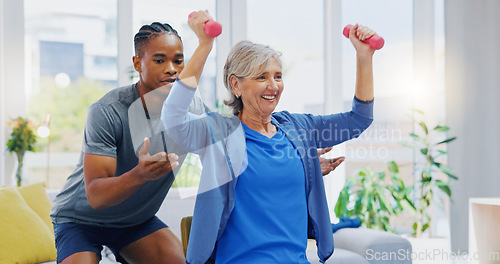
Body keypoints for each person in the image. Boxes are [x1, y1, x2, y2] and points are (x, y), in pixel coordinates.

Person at [162, 10, 377, 264]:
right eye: (261, 77)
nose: (273, 86)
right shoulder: (219, 134)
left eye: (277, 76)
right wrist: (205, 45)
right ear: (236, 85)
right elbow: (174, 118)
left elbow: (358, 120)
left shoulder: (297, 129)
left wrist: (364, 57)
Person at [49, 22, 196, 264]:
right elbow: (96, 195)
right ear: (138, 63)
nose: (171, 69)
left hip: (134, 221)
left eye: (178, 61)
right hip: (81, 219)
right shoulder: (107, 111)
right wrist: (140, 174)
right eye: (159, 60)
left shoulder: (192, 111)